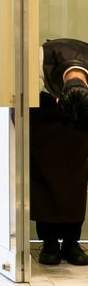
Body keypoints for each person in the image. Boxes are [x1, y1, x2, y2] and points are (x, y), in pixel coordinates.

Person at [31, 38, 88, 266]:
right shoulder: (41, 57)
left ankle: (72, 242)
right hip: (44, 111)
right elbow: (26, 93)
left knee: (77, 178)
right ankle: (49, 243)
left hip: (82, 117)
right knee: (44, 176)